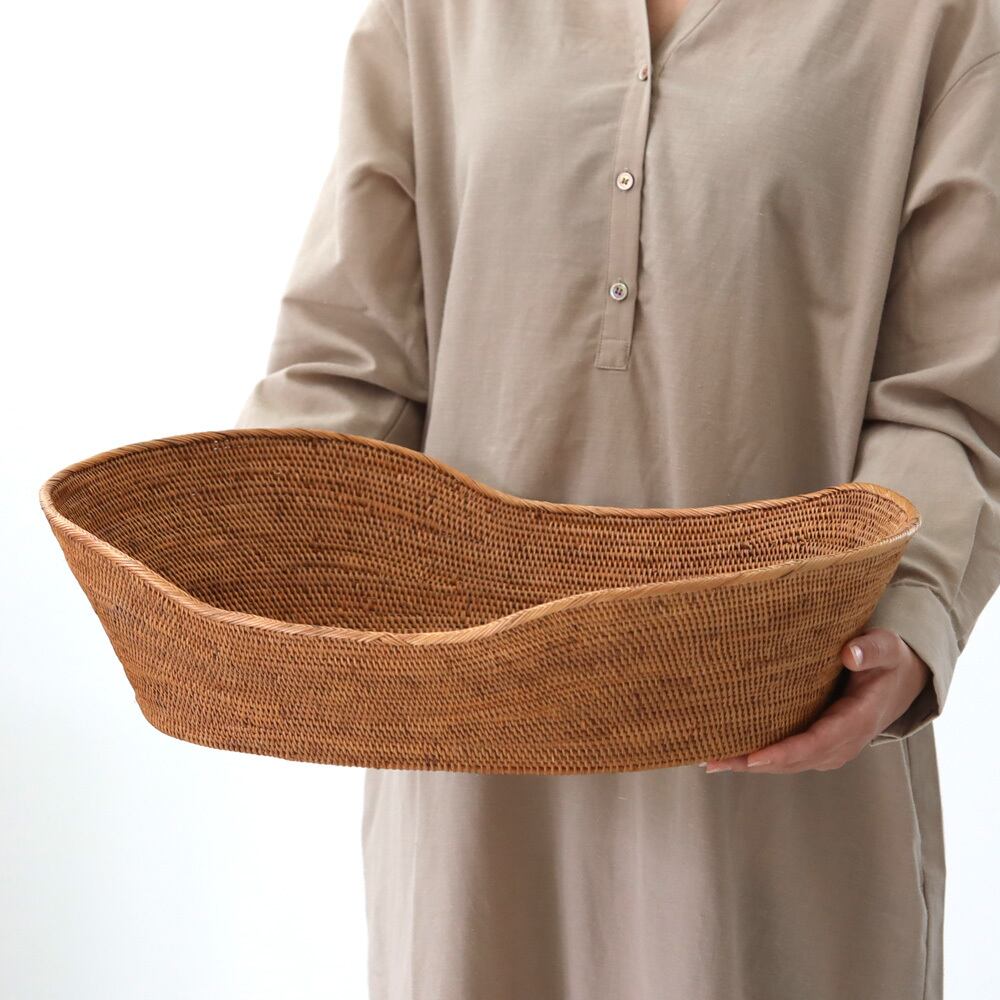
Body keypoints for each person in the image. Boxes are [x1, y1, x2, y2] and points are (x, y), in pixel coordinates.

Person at [234, 0, 1000, 996]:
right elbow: (350, 360)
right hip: (474, 766)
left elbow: (952, 389)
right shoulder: (438, 16)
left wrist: (911, 605)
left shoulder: (941, 20)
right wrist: (241, 539)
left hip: (778, 734)